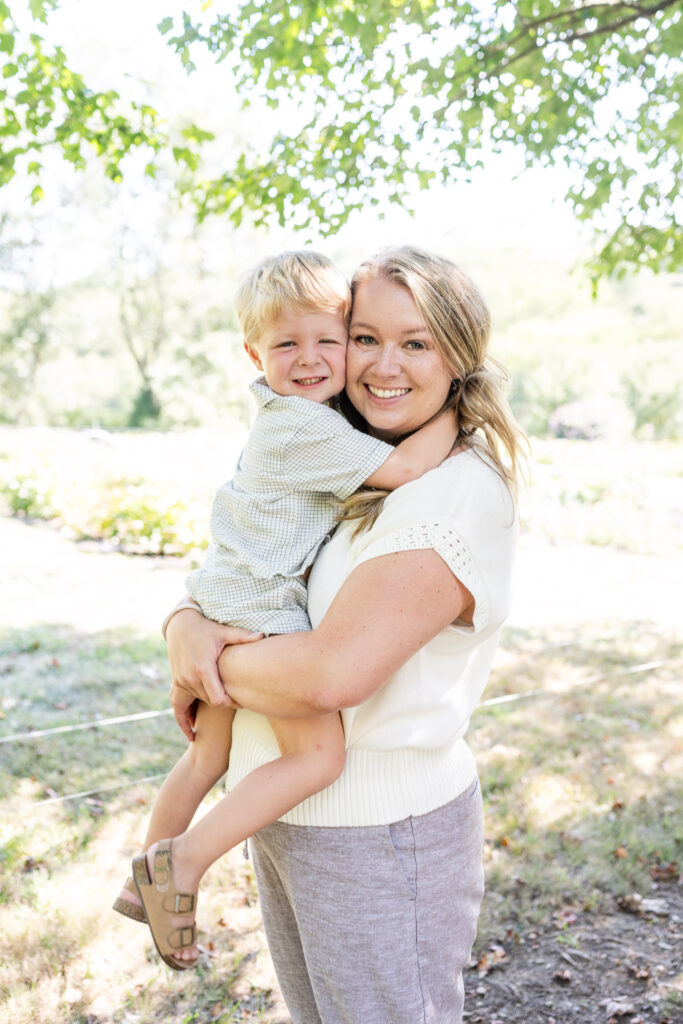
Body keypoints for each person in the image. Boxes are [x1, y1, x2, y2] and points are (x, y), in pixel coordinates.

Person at [164, 245, 526, 1023]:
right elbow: (266, 569)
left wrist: (203, 657)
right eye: (364, 337)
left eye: (417, 342)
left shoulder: (450, 492)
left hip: (378, 838)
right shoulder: (345, 461)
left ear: (459, 358)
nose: (382, 365)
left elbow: (330, 676)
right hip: (290, 821)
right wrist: (184, 621)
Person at [113, 250, 457, 971]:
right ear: (252, 354)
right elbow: (404, 470)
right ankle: (182, 863)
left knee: (207, 754)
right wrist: (462, 408)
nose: (309, 359)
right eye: (285, 345)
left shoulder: (302, 418)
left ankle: (140, 881)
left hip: (226, 589)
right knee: (319, 755)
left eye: (328, 340)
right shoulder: (302, 426)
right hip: (261, 603)